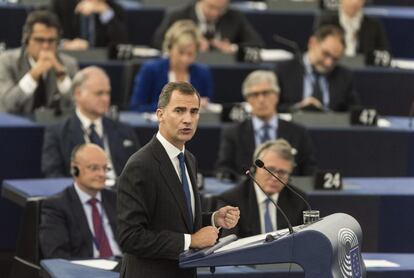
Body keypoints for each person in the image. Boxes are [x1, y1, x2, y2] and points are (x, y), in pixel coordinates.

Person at [117, 82, 240, 278]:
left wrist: (214, 218)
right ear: (160, 115)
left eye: (194, 112)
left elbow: (178, 219)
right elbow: (130, 237)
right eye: (179, 111)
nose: (188, 119)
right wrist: (190, 241)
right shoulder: (140, 165)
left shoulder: (189, 159)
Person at [42, 66, 140, 182]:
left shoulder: (124, 131)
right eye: (99, 93)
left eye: (107, 93)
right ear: (78, 94)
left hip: (120, 195)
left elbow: (138, 172)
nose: (106, 99)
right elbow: (53, 176)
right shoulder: (58, 133)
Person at [215, 70, 317, 181]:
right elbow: (224, 169)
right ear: (247, 99)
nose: (261, 99)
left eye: (266, 93)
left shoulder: (299, 133)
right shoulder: (233, 133)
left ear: (277, 95)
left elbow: (309, 171)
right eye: (254, 95)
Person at [40, 143, 121, 259]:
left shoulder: (118, 199)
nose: (102, 174)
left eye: (105, 168)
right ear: (74, 169)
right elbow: (56, 256)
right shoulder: (56, 206)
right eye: (94, 168)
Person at [215, 139, 309, 238]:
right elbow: (229, 245)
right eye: (270, 169)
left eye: (282, 172)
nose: (274, 177)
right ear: (254, 169)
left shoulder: (299, 200)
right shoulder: (231, 200)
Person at [0, 10, 78, 116]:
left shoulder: (68, 64)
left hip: (56, 128)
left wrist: (61, 76)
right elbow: (8, 104)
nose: (46, 46)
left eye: (51, 41)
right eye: (39, 40)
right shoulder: (6, 61)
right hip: (17, 127)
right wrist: (34, 74)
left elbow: (78, 106)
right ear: (26, 39)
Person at [130, 20, 213, 112]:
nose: (184, 59)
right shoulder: (150, 70)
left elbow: (207, 106)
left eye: (190, 54)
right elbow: (136, 108)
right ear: (169, 48)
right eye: (180, 52)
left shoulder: (203, 73)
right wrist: (171, 107)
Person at [276, 25, 360, 112]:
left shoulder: (344, 77)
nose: (328, 63)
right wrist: (296, 108)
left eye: (335, 59)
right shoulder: (284, 70)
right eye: (326, 54)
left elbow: (353, 113)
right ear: (312, 43)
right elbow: (274, 107)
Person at [152, 0, 264, 54]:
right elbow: (158, 41)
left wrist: (232, 48)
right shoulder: (178, 15)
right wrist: (189, 46)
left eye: (221, 9)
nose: (215, 13)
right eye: (211, 7)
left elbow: (256, 43)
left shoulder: (234, 16)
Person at [316, 0, 390, 57]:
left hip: (363, 72)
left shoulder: (374, 25)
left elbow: (384, 53)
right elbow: (317, 49)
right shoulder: (326, 22)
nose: (354, 2)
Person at [49, 0, 128, 50]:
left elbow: (121, 43)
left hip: (101, 61)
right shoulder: (61, 4)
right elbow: (48, 33)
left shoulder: (112, 8)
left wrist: (105, 12)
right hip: (70, 57)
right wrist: (65, 44)